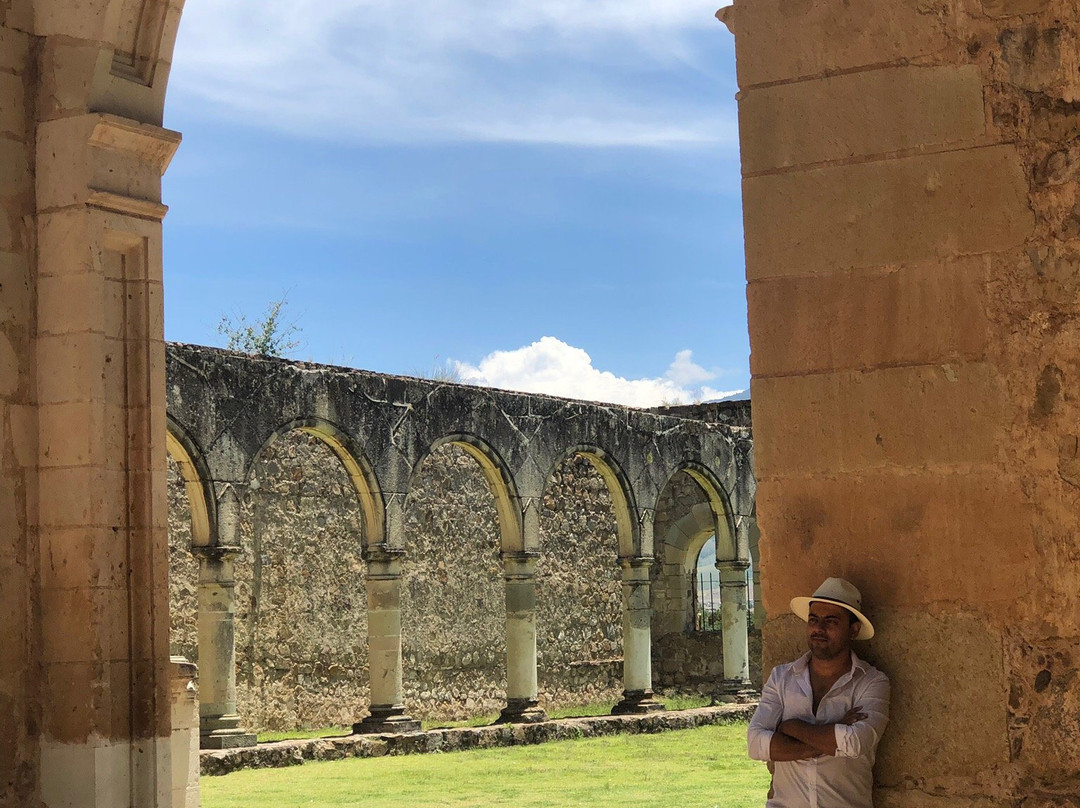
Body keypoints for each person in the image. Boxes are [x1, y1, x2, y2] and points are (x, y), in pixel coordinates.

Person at [747, 577, 890, 807]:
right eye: (813, 620)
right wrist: (831, 736)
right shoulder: (782, 678)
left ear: (853, 630)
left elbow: (855, 743)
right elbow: (755, 744)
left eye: (831, 622)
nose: (819, 629)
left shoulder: (871, 682)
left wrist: (791, 727)